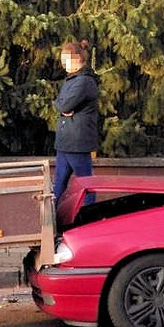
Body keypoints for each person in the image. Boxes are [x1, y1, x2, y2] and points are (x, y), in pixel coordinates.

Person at [53, 40, 100, 204]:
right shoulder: (72, 80)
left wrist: (62, 106)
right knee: (58, 184)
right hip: (66, 143)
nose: (62, 64)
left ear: (77, 59)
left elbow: (63, 104)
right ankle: (52, 221)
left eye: (65, 60)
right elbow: (59, 104)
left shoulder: (84, 81)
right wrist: (61, 106)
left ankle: (89, 219)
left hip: (77, 143)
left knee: (86, 184)